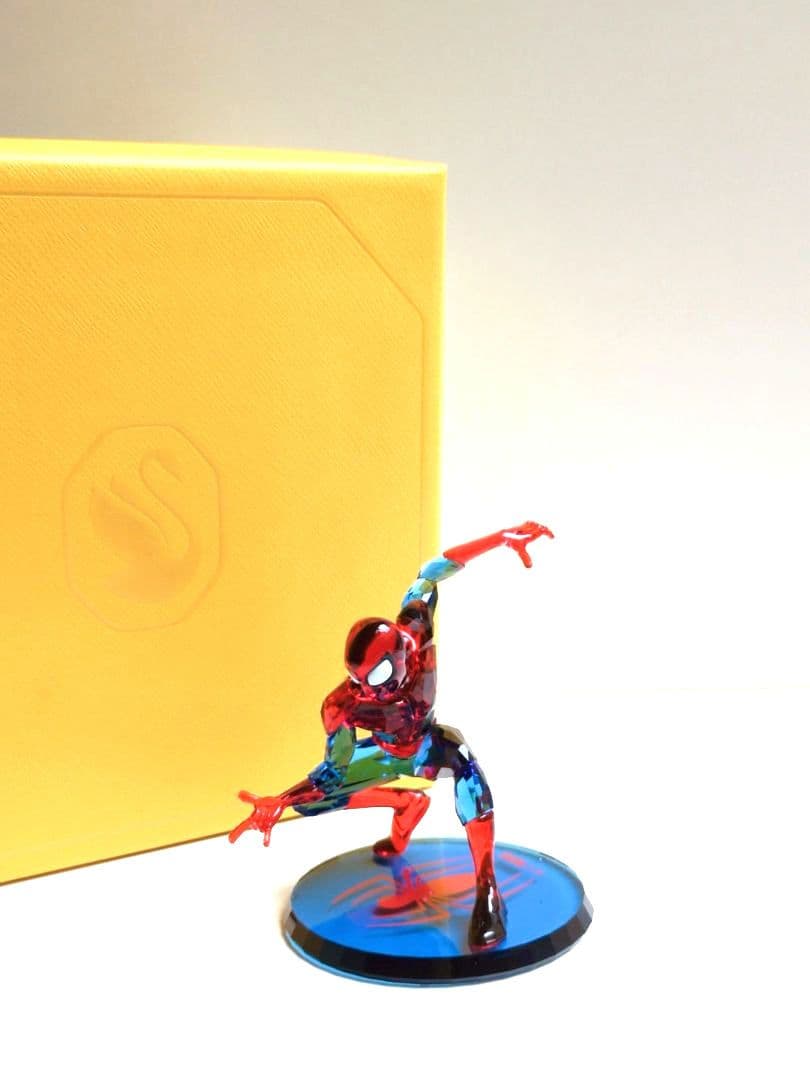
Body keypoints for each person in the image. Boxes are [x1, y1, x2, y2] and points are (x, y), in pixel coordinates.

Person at [229, 520, 552, 949]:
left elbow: (431, 572)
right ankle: (405, 804)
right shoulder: (342, 705)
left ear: (402, 652)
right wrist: (282, 800)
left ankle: (487, 890)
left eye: (376, 676)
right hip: (384, 754)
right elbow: (333, 771)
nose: (367, 690)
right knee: (314, 801)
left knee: (467, 770)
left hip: (428, 746)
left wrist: (497, 540)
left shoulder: (414, 632)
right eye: (356, 678)